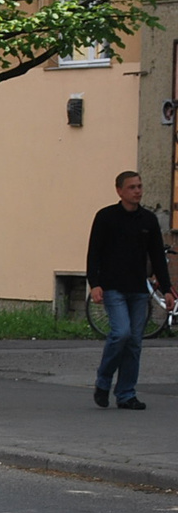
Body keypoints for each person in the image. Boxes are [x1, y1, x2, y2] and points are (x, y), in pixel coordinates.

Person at [86, 170, 173, 410]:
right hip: (113, 287)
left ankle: (126, 393)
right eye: (132, 187)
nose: (137, 191)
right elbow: (94, 252)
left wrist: (166, 290)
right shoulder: (106, 217)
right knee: (121, 333)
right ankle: (103, 381)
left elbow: (157, 256)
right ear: (120, 191)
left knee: (134, 342)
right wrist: (95, 284)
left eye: (140, 186)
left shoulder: (147, 220)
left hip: (138, 289)